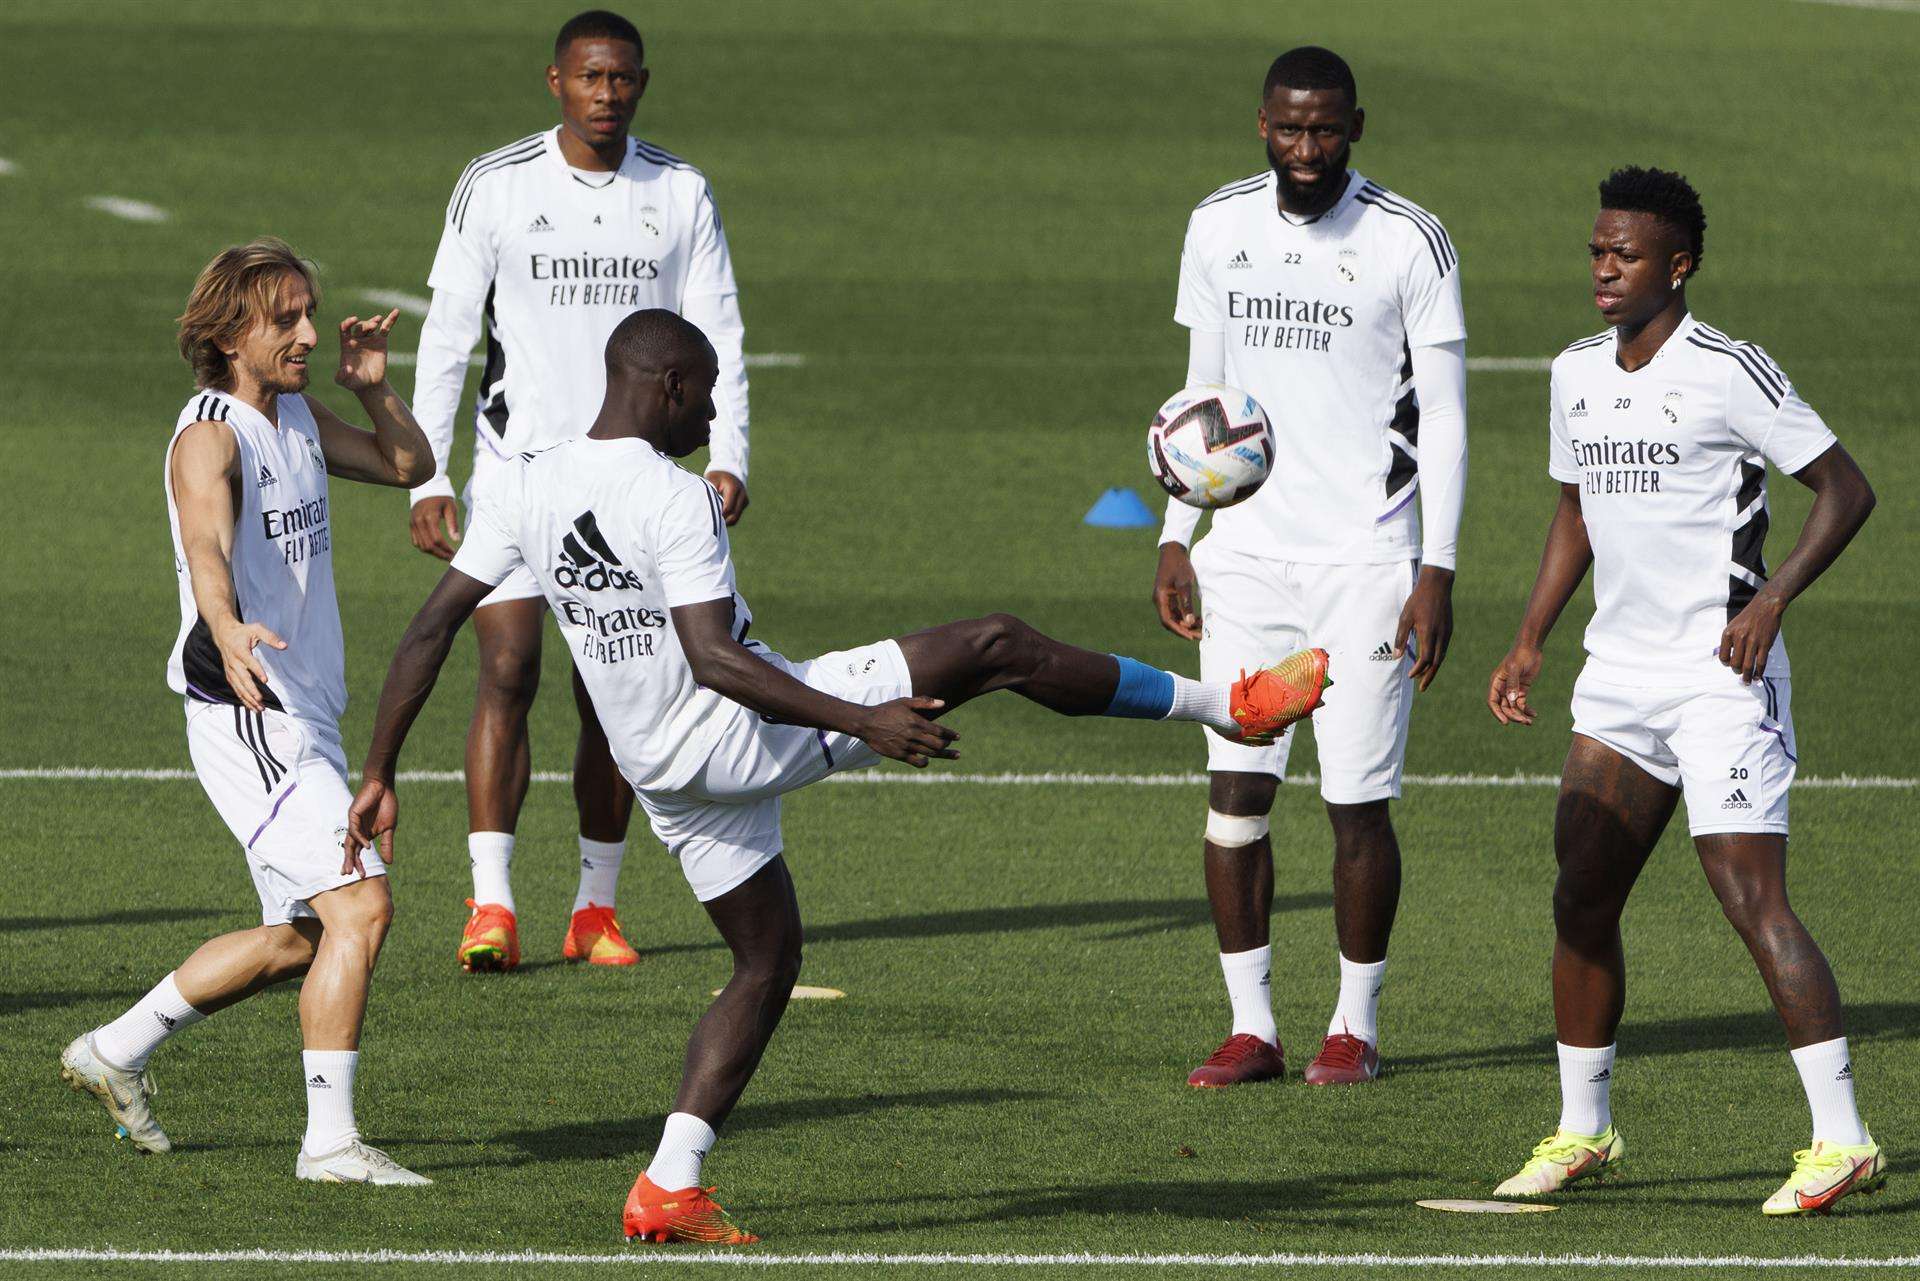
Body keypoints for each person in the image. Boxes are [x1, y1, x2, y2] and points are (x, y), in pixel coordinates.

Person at [345, 309, 1330, 1241]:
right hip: (735, 734)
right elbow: (715, 660)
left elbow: (430, 629)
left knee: (766, 960)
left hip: (662, 773)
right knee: (997, 645)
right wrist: (862, 720)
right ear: (670, 385)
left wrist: (380, 767)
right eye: (708, 394)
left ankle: (669, 1185)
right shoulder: (672, 498)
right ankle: (1233, 705)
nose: (714, 414)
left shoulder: (524, 482)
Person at [1486, 167, 1883, 1214]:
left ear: (1680, 265)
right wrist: (1529, 640)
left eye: (1625, 255)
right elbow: (1575, 509)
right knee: (1581, 894)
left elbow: (1846, 489)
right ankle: (1584, 1129)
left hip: (1721, 681)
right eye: (1597, 251)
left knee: (1751, 899)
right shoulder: (1574, 372)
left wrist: (1773, 601)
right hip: (1618, 680)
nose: (1604, 269)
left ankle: (1843, 1139)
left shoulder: (1728, 371)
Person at [59, 238, 434, 1184]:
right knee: (361, 904)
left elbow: (406, 464)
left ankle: (115, 1049)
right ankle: (330, 1144)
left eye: (310, 313)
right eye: (285, 319)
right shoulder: (210, 436)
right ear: (229, 334)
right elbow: (205, 542)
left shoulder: (295, 413)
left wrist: (374, 389)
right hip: (250, 712)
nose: (308, 333)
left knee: (301, 939)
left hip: (305, 710)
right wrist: (224, 624)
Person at [407, 9, 755, 972]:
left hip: (631, 484)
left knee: (615, 692)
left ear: (643, 82)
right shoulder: (497, 183)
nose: (607, 94)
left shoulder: (679, 191)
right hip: (518, 473)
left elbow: (719, 335)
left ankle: (594, 907)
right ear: (555, 81)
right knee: (507, 668)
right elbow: (447, 336)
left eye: (623, 78)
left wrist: (729, 453)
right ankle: (491, 904)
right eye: (590, 77)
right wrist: (427, 472)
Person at [1151, 46, 1469, 1087]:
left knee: (1355, 802)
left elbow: (1448, 419)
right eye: (1289, 127)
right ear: (1262, 124)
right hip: (1245, 557)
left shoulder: (1408, 239)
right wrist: (1176, 535)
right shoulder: (1217, 225)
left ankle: (1353, 1027)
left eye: (1326, 129)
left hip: (1367, 561)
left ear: (1356, 127)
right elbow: (1201, 398)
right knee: (1235, 796)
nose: (1306, 148)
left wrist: (1436, 568)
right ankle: (1253, 1029)